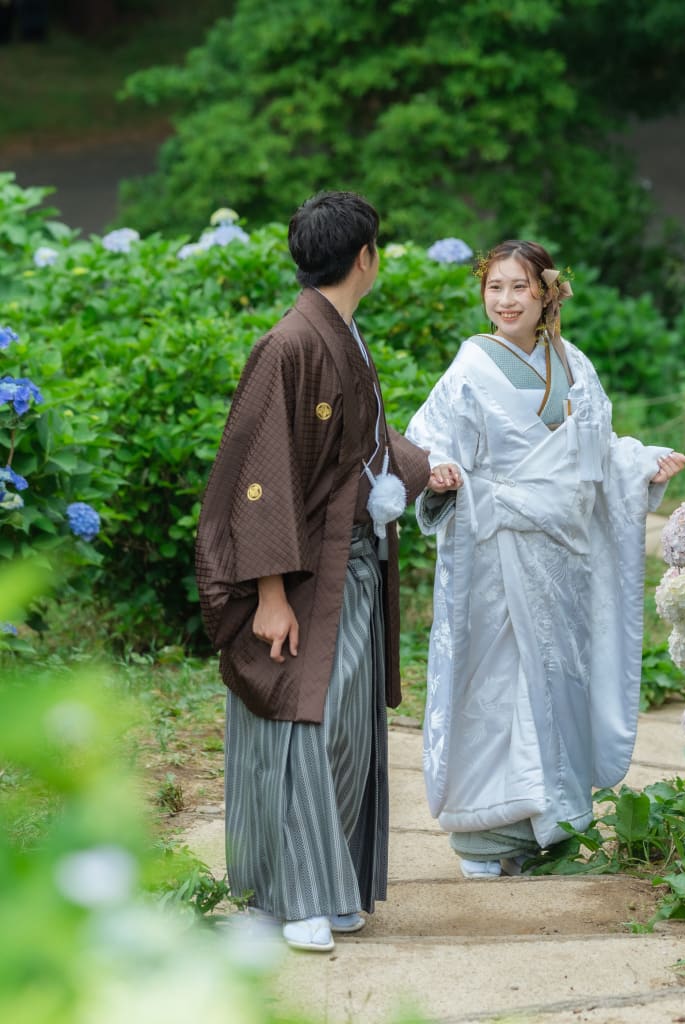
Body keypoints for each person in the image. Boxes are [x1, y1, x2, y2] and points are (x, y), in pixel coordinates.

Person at [405, 239, 685, 879]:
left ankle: (540, 831)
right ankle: (485, 836)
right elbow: (429, 442)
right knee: (497, 685)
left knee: (556, 682)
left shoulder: (574, 363)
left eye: (519, 287)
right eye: (494, 287)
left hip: (561, 559)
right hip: (496, 550)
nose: (505, 301)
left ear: (546, 294)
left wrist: (642, 464)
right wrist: (440, 472)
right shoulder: (470, 368)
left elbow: (600, 450)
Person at [195, 191, 430, 950]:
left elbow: (362, 445)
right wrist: (267, 593)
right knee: (302, 725)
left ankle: (331, 888)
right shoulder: (291, 343)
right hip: (296, 576)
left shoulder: (339, 335)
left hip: (347, 562)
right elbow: (261, 476)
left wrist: (422, 469)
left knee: (348, 728)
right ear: (366, 257)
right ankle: (290, 899)